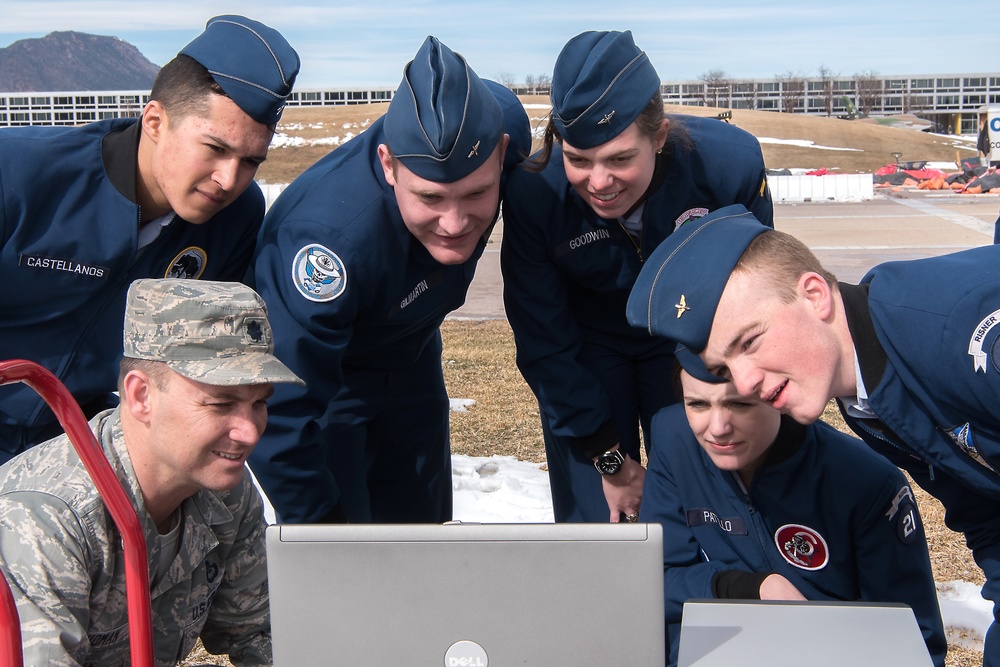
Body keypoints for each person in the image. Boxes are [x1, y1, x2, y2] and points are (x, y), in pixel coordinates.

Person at [627, 203, 1000, 666]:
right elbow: (985, 506)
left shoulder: (961, 335)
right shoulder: (867, 397)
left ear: (814, 294)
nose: (743, 384)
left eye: (750, 342)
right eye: (724, 367)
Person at [245, 36, 531, 524]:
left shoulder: (501, 125)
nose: (456, 222)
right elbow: (282, 411)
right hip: (335, 377)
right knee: (349, 540)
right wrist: (324, 532)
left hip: (413, 352)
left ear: (502, 155)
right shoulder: (326, 244)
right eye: (431, 199)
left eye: (477, 193)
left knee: (423, 528)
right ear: (388, 165)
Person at [0, 15, 299, 464]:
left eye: (251, 160)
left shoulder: (237, 216)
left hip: (84, 448)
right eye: (215, 148)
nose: (228, 179)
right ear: (155, 120)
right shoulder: (18, 174)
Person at [500, 30, 773, 523]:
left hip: (689, 336)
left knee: (711, 501)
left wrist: (723, 400)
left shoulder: (728, 166)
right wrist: (608, 460)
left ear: (660, 135)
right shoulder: (534, 191)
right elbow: (543, 338)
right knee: (600, 519)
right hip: (590, 344)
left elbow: (753, 302)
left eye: (621, 159)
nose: (599, 183)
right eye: (578, 160)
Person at [0, 278, 304, 666]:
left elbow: (258, 631)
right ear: (141, 395)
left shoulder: (221, 485)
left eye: (259, 403)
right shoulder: (44, 520)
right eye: (220, 404)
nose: (248, 432)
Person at [641, 355, 946, 666]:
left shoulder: (867, 482)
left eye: (740, 405)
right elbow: (652, 583)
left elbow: (913, 638)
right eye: (697, 405)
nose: (717, 428)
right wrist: (747, 588)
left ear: (777, 395)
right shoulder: (673, 437)